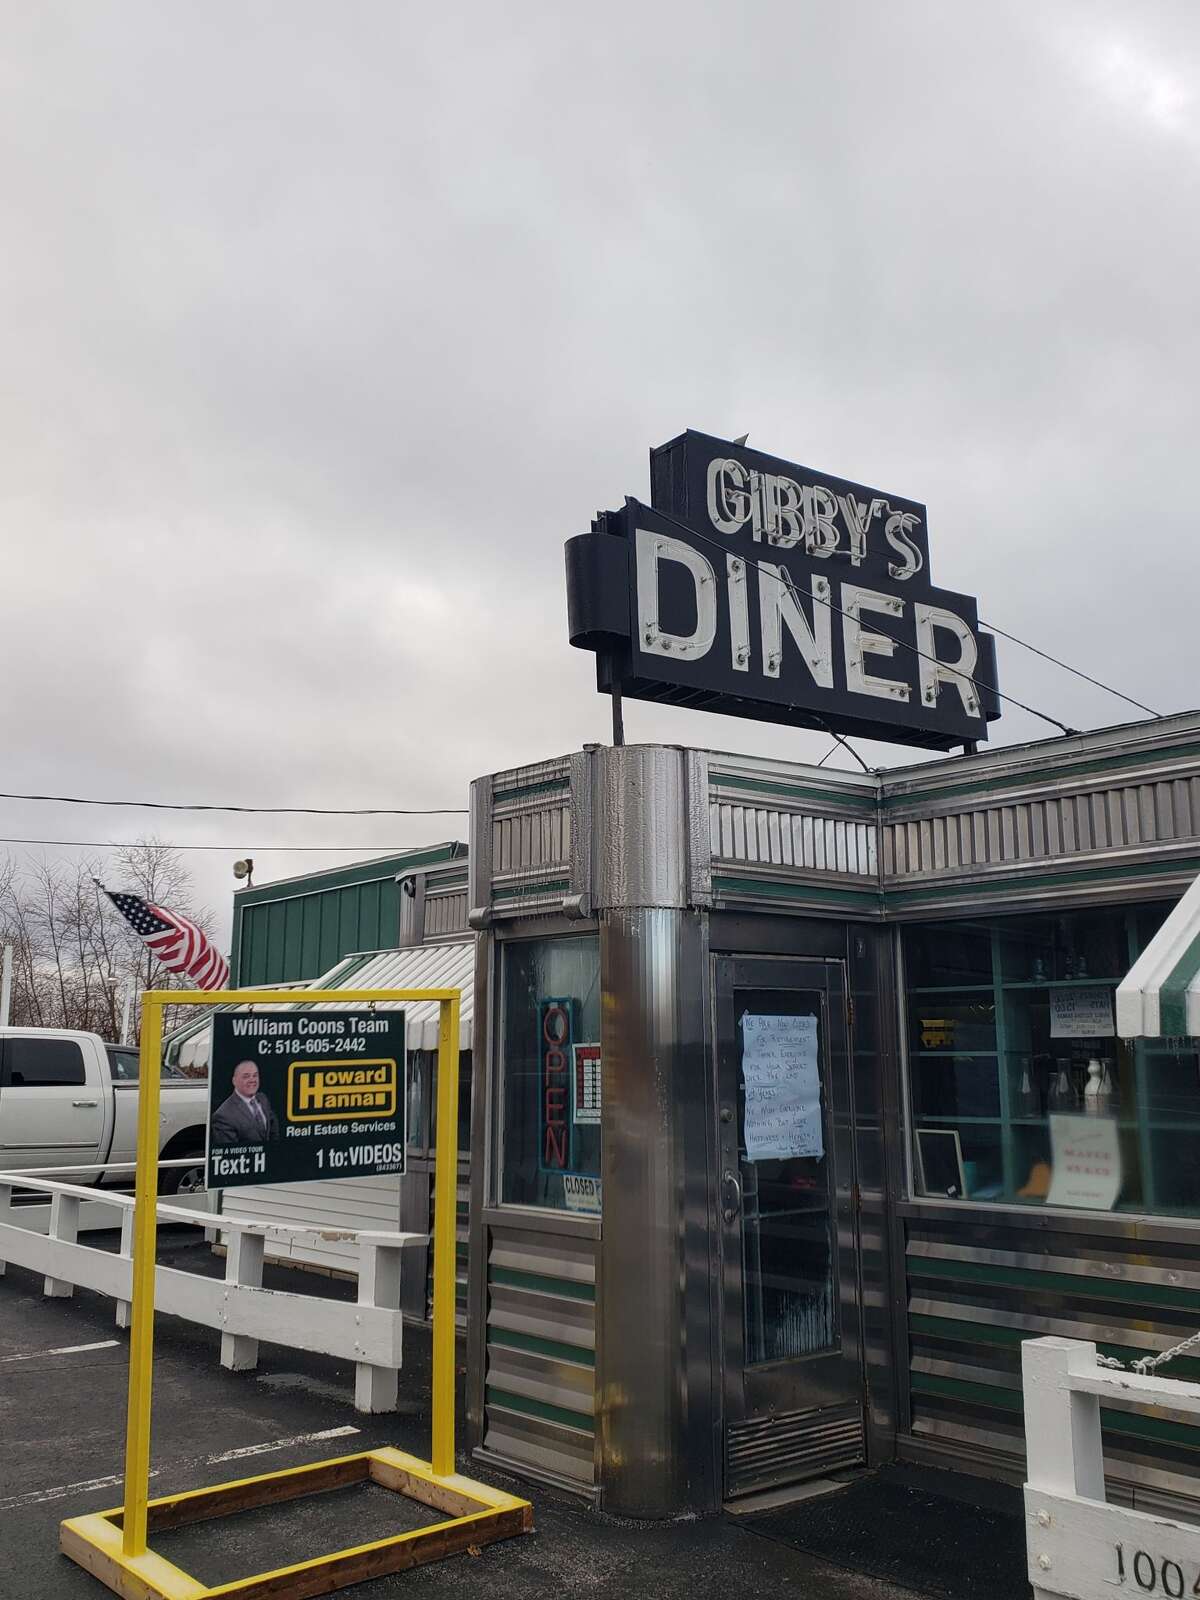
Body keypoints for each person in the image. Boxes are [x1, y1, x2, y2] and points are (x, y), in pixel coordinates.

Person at [211, 1058, 279, 1146]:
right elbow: (229, 1152)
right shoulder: (223, 1116)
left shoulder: (263, 1099)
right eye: (246, 1076)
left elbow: (273, 1128)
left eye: (255, 1075)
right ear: (234, 1081)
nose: (252, 1080)